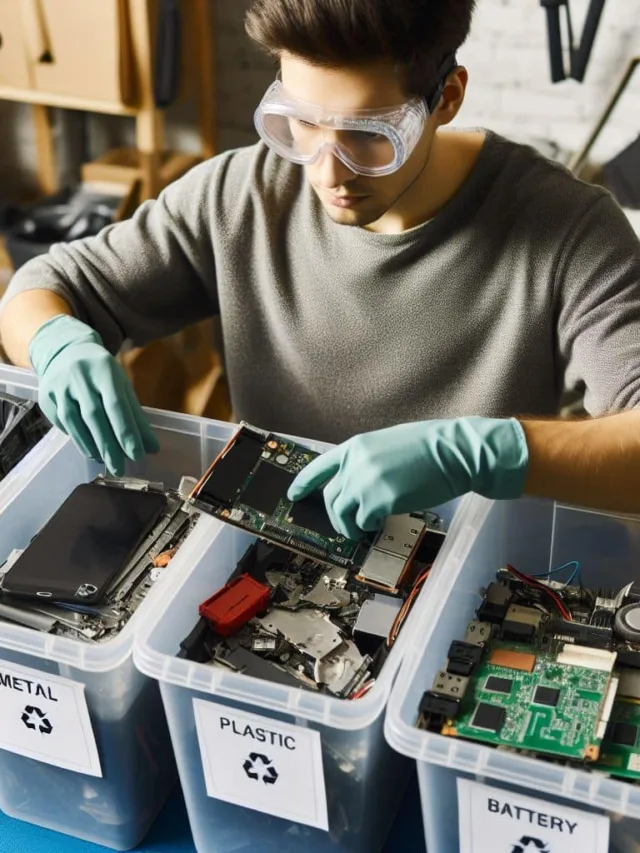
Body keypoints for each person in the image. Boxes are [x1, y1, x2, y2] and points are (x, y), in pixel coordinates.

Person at [1, 0, 639, 542]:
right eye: (301, 123)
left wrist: (479, 454)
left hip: (465, 571)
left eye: (367, 135)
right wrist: (57, 344)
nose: (327, 173)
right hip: (273, 551)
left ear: (445, 98)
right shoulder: (242, 195)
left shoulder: (570, 230)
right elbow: (40, 290)